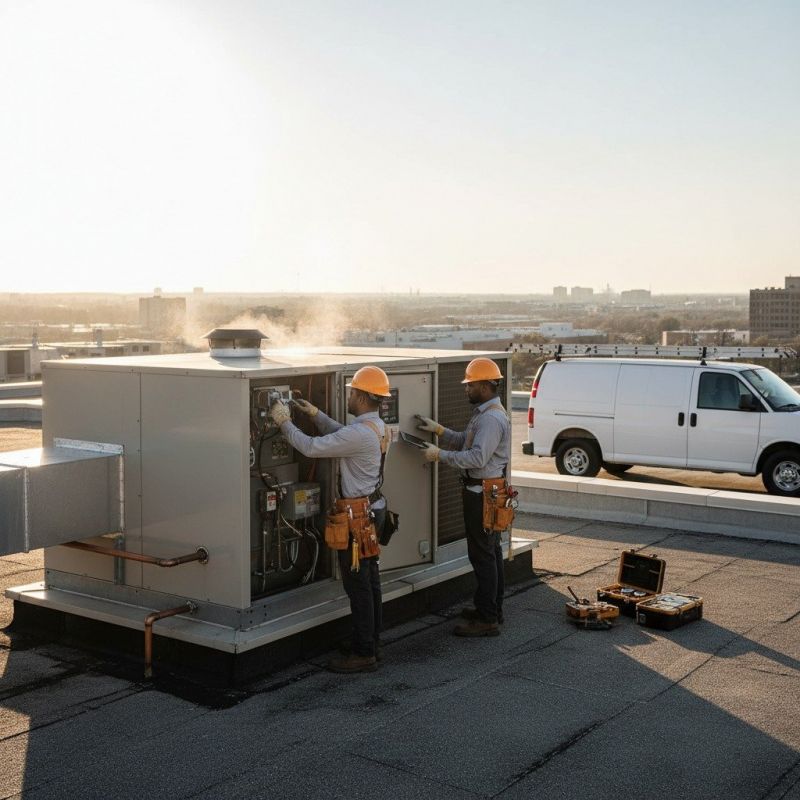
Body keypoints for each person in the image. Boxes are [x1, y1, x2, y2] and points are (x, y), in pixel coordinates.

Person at [270, 365, 391, 673]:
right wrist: (315, 415)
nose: (348, 397)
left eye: (352, 393)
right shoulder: (377, 427)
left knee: (358, 586)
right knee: (370, 582)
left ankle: (363, 653)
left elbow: (311, 448)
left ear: (362, 397)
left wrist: (284, 423)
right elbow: (341, 434)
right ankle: (371, 641)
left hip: (357, 519)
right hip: (372, 510)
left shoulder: (359, 434)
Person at [416, 357, 511, 637]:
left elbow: (477, 457)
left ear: (485, 385)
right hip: (486, 492)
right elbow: (465, 441)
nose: (466, 389)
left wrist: (439, 455)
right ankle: (491, 608)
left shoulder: (491, 418)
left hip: (482, 495)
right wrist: (439, 431)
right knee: (491, 553)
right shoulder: (485, 413)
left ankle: (487, 619)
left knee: (483, 556)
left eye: (470, 385)